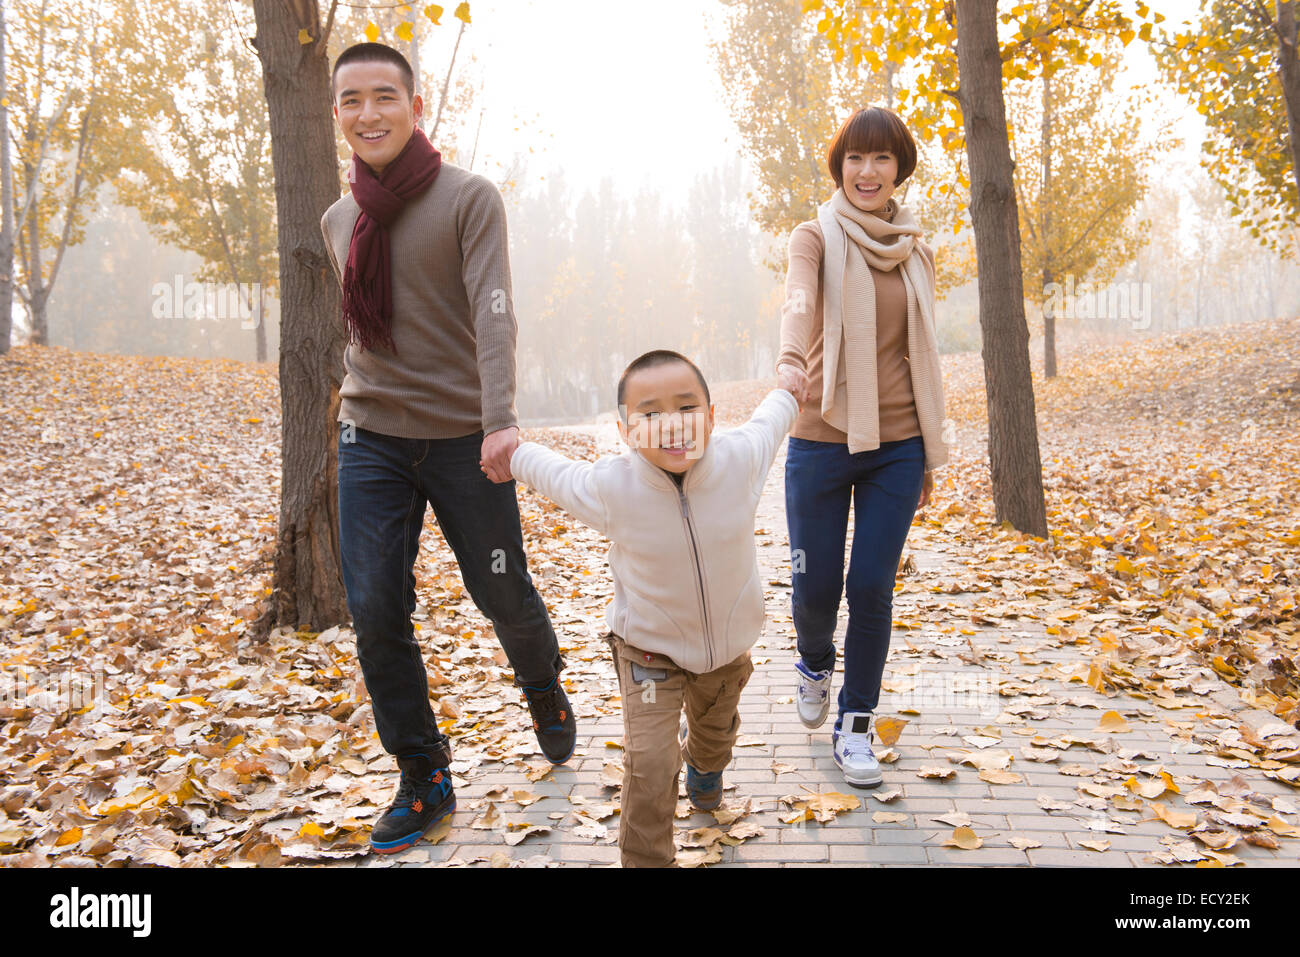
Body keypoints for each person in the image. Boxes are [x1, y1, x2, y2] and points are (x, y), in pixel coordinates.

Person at [321, 42, 575, 855]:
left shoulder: (469, 198)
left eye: (385, 97)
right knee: (375, 609)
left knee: (501, 591)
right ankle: (423, 772)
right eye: (351, 100)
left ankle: (541, 681)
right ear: (337, 113)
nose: (369, 113)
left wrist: (499, 416)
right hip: (372, 440)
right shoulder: (338, 220)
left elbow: (492, 311)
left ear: (416, 105)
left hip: (467, 436)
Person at [511, 350, 799, 866]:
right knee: (648, 764)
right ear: (625, 430)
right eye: (649, 413)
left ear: (711, 417)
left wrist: (789, 386)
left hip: (727, 653)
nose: (671, 424)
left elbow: (772, 418)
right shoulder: (611, 487)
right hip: (647, 653)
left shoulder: (741, 458)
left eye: (686, 407)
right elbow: (552, 471)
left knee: (714, 737)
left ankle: (706, 769)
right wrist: (508, 452)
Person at [776, 106, 948, 788]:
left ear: (899, 168)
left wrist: (929, 453)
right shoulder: (814, 236)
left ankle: (856, 726)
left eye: (881, 159)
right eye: (855, 158)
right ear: (839, 166)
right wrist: (791, 359)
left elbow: (923, 353)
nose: (867, 171)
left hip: (898, 443)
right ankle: (814, 658)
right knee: (814, 588)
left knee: (871, 587)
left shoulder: (916, 247)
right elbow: (795, 299)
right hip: (820, 436)